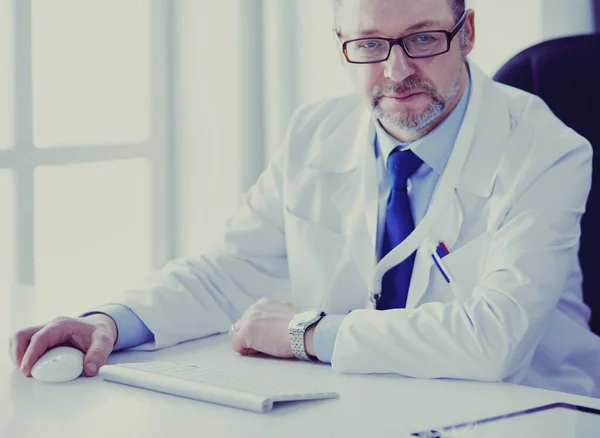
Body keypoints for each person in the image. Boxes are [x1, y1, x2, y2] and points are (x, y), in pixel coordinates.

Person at [9, 0, 600, 398]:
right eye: (369, 44)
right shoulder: (314, 134)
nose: (397, 71)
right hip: (366, 404)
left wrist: (305, 333)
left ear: (466, 33)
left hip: (528, 409)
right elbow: (231, 271)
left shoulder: (546, 150)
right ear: (342, 44)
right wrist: (109, 322)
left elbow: (493, 341)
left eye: (422, 39)